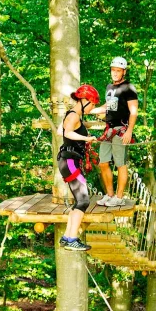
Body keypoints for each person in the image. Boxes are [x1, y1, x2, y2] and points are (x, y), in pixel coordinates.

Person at [56, 84, 100, 251]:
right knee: (83, 200)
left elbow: (61, 131)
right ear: (84, 101)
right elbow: (67, 133)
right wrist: (86, 138)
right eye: (93, 104)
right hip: (70, 161)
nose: (93, 107)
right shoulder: (74, 115)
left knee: (80, 201)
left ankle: (68, 237)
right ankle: (72, 238)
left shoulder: (73, 115)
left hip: (68, 161)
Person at [91, 57, 138, 207]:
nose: (115, 73)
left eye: (118, 71)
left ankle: (119, 197)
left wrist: (129, 131)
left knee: (120, 164)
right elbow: (107, 106)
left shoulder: (129, 88)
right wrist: (87, 110)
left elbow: (134, 111)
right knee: (103, 163)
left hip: (121, 130)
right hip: (109, 129)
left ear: (123, 72)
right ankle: (109, 195)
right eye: (113, 70)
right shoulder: (109, 87)